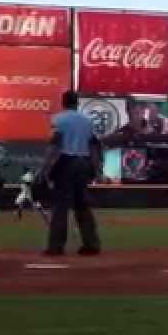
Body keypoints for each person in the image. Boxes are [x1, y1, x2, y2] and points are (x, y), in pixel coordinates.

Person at [43, 90, 104, 256]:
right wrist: (97, 169)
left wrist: (46, 168)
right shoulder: (87, 121)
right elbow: (94, 146)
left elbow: (54, 144)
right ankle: (92, 244)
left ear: (63, 102)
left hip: (66, 161)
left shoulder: (58, 119)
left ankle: (56, 246)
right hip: (83, 163)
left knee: (61, 205)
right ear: (77, 103)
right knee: (82, 205)